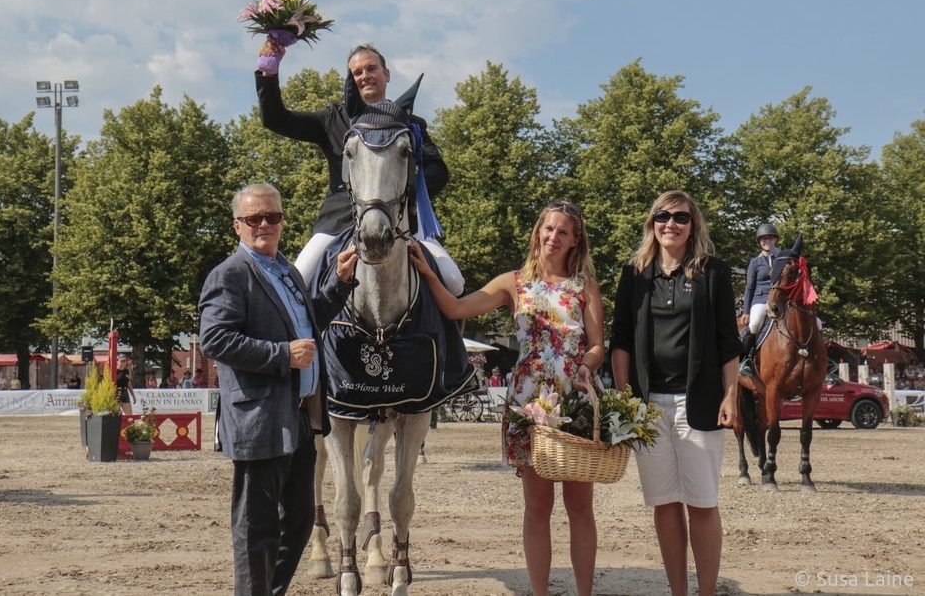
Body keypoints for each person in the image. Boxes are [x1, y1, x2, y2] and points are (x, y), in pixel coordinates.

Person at [410, 199, 604, 596]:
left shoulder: (584, 287)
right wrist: (430, 274)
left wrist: (587, 365)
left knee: (580, 507)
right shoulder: (512, 282)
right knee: (537, 508)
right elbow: (456, 308)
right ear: (538, 231)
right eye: (548, 229)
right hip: (529, 402)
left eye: (563, 231)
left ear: (575, 239)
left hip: (575, 395)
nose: (553, 237)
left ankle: (586, 592)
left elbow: (598, 344)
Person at [199, 183, 357, 596]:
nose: (265, 224)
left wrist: (339, 283)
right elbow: (215, 340)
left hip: (300, 415)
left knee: (301, 519)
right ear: (238, 226)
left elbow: (308, 324)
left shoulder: (285, 270)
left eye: (273, 216)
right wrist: (280, 355)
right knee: (258, 529)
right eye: (254, 219)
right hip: (259, 418)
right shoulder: (230, 275)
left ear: (283, 221)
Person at [609, 190, 741, 596]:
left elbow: (727, 341)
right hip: (648, 407)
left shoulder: (714, 273)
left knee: (701, 502)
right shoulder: (634, 273)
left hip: (697, 403)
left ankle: (706, 592)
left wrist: (731, 394)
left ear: (693, 225)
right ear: (652, 223)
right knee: (664, 503)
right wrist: (624, 398)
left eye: (680, 218)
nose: (671, 224)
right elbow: (621, 341)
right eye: (662, 216)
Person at [254, 40, 463, 294]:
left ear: (386, 74)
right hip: (339, 222)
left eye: (371, 69)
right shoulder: (333, 119)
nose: (365, 76)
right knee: (297, 285)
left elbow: (437, 171)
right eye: (357, 72)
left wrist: (405, 196)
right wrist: (269, 71)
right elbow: (276, 119)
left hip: (400, 220)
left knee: (454, 281)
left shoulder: (409, 121)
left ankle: (448, 336)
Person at [738, 223, 780, 374]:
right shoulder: (755, 262)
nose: (766, 241)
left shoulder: (782, 259)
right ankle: (745, 360)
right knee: (755, 323)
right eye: (762, 239)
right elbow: (749, 287)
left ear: (775, 239)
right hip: (761, 300)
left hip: (780, 300)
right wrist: (746, 311)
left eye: (769, 238)